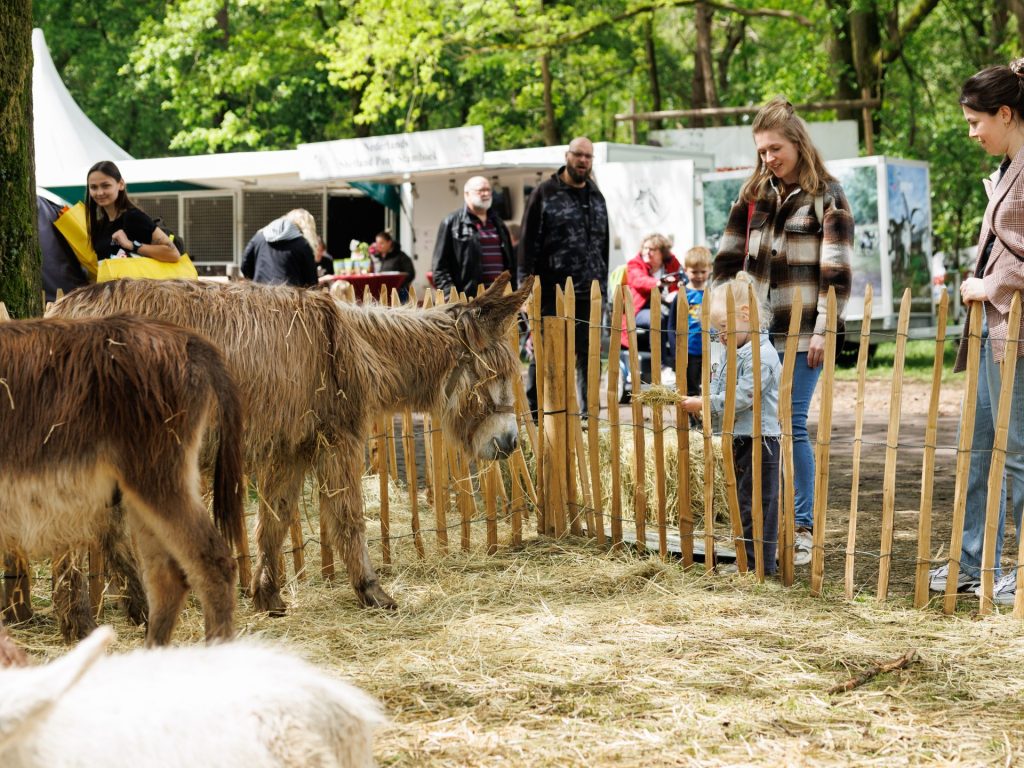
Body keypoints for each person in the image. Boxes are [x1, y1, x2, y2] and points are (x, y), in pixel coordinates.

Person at [711, 97, 853, 567]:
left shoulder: (827, 195)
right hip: (753, 333)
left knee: (789, 423)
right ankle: (763, 527)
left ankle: (804, 526)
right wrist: (721, 319)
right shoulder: (752, 195)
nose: (769, 159)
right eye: (762, 151)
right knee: (756, 425)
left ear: (797, 142)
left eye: (775, 148)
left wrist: (824, 330)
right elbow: (727, 261)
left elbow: (837, 271)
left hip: (802, 330)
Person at [928, 60, 1024, 604]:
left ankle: (1021, 566)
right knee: (980, 446)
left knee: (1017, 452)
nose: (971, 133)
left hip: (1017, 333)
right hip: (995, 333)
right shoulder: (1011, 165)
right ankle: (971, 563)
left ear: (1005, 113)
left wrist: (991, 286)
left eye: (974, 121)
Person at [683, 271, 781, 575]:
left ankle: (761, 567)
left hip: (759, 441)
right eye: (716, 331)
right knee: (742, 503)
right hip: (740, 436)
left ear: (745, 315)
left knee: (759, 506)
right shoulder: (734, 350)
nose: (721, 336)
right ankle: (747, 563)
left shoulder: (762, 357)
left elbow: (741, 397)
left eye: (724, 328)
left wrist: (705, 404)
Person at [518, 136, 610, 417]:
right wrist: (525, 289)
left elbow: (603, 245)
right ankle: (534, 413)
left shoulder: (596, 195)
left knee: (589, 355)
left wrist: (602, 289)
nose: (583, 161)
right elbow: (527, 244)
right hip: (552, 292)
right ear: (566, 156)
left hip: (589, 292)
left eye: (588, 157)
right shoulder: (543, 193)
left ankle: (587, 417)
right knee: (546, 354)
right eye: (578, 155)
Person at [432, 176, 516, 298]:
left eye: (488, 190)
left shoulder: (499, 224)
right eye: (480, 190)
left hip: (499, 300)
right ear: (467, 194)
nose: (486, 193)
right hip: (468, 300)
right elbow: (439, 268)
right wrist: (451, 297)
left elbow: (510, 265)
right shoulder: (451, 223)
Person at [86, 160, 180, 264]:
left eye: (106, 185)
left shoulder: (133, 217)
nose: (99, 192)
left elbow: (173, 253)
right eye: (94, 187)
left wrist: (131, 245)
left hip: (141, 280)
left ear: (121, 184)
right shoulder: (99, 226)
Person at [620, 233, 682, 386]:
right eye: (645, 248)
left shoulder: (671, 262)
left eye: (652, 249)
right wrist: (660, 282)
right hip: (639, 310)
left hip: (666, 307)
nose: (647, 252)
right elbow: (639, 280)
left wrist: (677, 289)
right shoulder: (635, 263)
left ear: (662, 252)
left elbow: (681, 276)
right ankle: (661, 366)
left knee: (679, 319)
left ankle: (679, 362)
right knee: (657, 318)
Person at [241, 209, 318, 287]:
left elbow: (245, 264)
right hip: (290, 296)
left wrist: (257, 280)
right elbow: (311, 280)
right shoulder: (302, 244)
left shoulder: (259, 237)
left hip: (259, 294)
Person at [683, 245, 712, 397]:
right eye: (694, 272)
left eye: (703, 271)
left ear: (710, 269)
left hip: (710, 349)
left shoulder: (712, 293)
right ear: (685, 269)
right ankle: (694, 420)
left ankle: (707, 418)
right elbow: (671, 325)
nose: (699, 276)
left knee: (709, 386)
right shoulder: (683, 295)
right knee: (691, 387)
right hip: (690, 350)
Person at [371, 231, 416, 301]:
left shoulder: (401, 256)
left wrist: (397, 283)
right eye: (377, 243)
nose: (378, 246)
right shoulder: (377, 258)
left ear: (389, 243)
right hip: (382, 293)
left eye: (381, 243)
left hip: (399, 293)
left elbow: (411, 274)